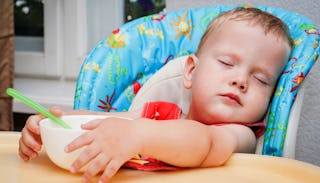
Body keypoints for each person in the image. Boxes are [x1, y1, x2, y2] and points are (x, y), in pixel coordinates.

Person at [18, 7, 293, 183]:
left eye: (260, 79)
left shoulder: (239, 134)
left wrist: (139, 134)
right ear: (190, 72)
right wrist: (53, 124)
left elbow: (204, 143)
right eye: (226, 63)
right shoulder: (163, 114)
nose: (240, 80)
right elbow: (105, 120)